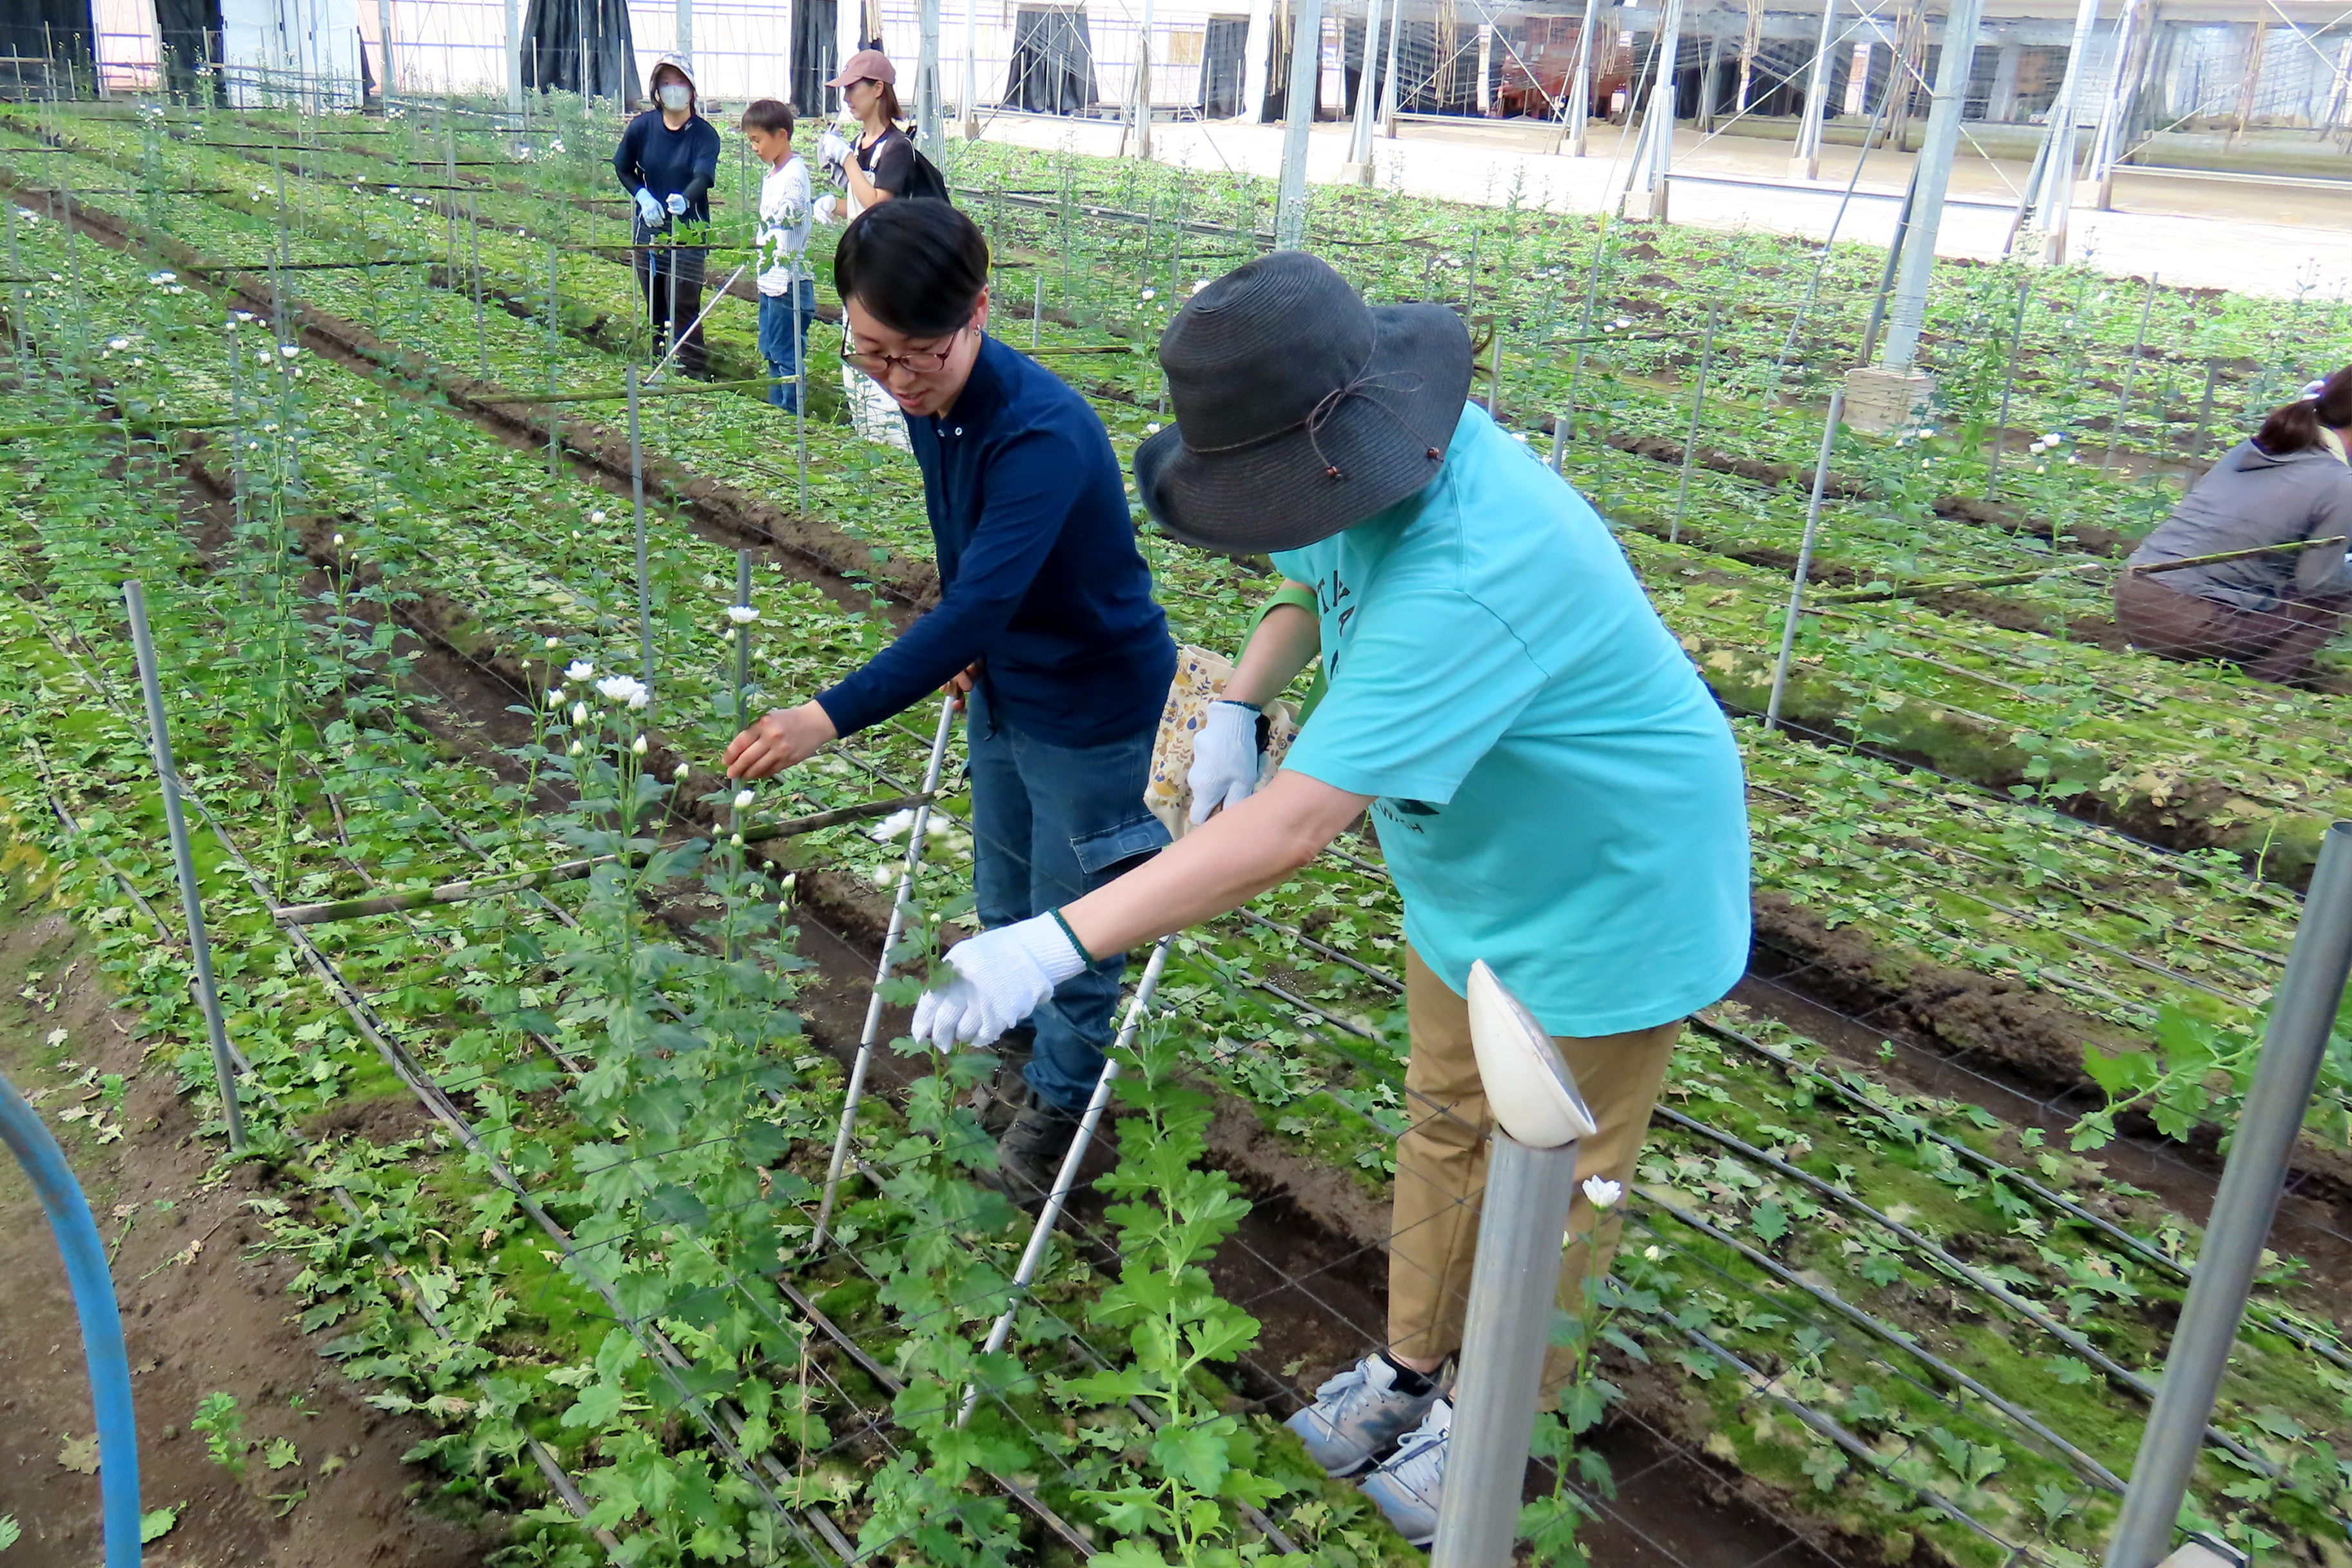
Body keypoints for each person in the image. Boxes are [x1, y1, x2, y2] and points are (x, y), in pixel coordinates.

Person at [901, 251, 1751, 1545]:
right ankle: (1412, 1368)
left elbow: (1297, 823)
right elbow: (1311, 576)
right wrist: (1241, 699)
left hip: (1608, 883)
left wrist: (1054, 939)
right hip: (1473, 861)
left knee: (1562, 1172)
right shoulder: (1368, 455)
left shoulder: (1474, 563)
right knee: (1445, 1117)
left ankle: (1498, 1410)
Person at [721, 199, 1178, 1193]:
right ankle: (1011, 1064)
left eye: (912, 354)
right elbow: (967, 559)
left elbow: (974, 602)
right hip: (1007, 684)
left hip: (1091, 706)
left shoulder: (1041, 432)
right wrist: (975, 632)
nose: (892, 378)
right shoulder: (940, 405)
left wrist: (825, 716)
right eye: (868, 353)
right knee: (1002, 898)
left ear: (977, 311)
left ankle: (1063, 1112)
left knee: (1071, 923)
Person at [2117, 367, 2352, 685]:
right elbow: (2317, 582)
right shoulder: (2339, 483)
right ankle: (2258, 690)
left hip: (2133, 600)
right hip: (2190, 624)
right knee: (2330, 594)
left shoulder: (2257, 448)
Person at [811, 48, 944, 449]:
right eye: (845, 89)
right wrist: (831, 203)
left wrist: (848, 161)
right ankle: (871, 438)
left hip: (894, 272)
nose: (848, 97)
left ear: (879, 89)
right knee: (860, 355)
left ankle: (902, 444)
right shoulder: (860, 143)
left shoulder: (896, 147)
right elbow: (859, 206)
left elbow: (880, 204)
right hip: (866, 266)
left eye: (854, 88)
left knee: (892, 355)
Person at [612, 53, 720, 379]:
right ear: (656, 90)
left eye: (680, 83)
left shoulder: (704, 134)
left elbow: (703, 176)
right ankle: (660, 361)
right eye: (666, 83)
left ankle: (692, 367)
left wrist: (686, 200)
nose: (673, 90)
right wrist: (643, 197)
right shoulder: (642, 127)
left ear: (691, 89)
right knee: (656, 298)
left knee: (683, 300)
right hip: (651, 227)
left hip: (689, 229)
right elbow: (623, 166)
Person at [741, 99, 816, 413]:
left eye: (758, 140)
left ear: (782, 135)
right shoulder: (774, 173)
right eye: (751, 142)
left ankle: (790, 416)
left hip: (789, 283)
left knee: (787, 354)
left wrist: (783, 215)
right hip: (770, 279)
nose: (755, 148)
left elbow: (794, 210)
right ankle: (777, 411)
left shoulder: (795, 175)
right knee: (771, 349)